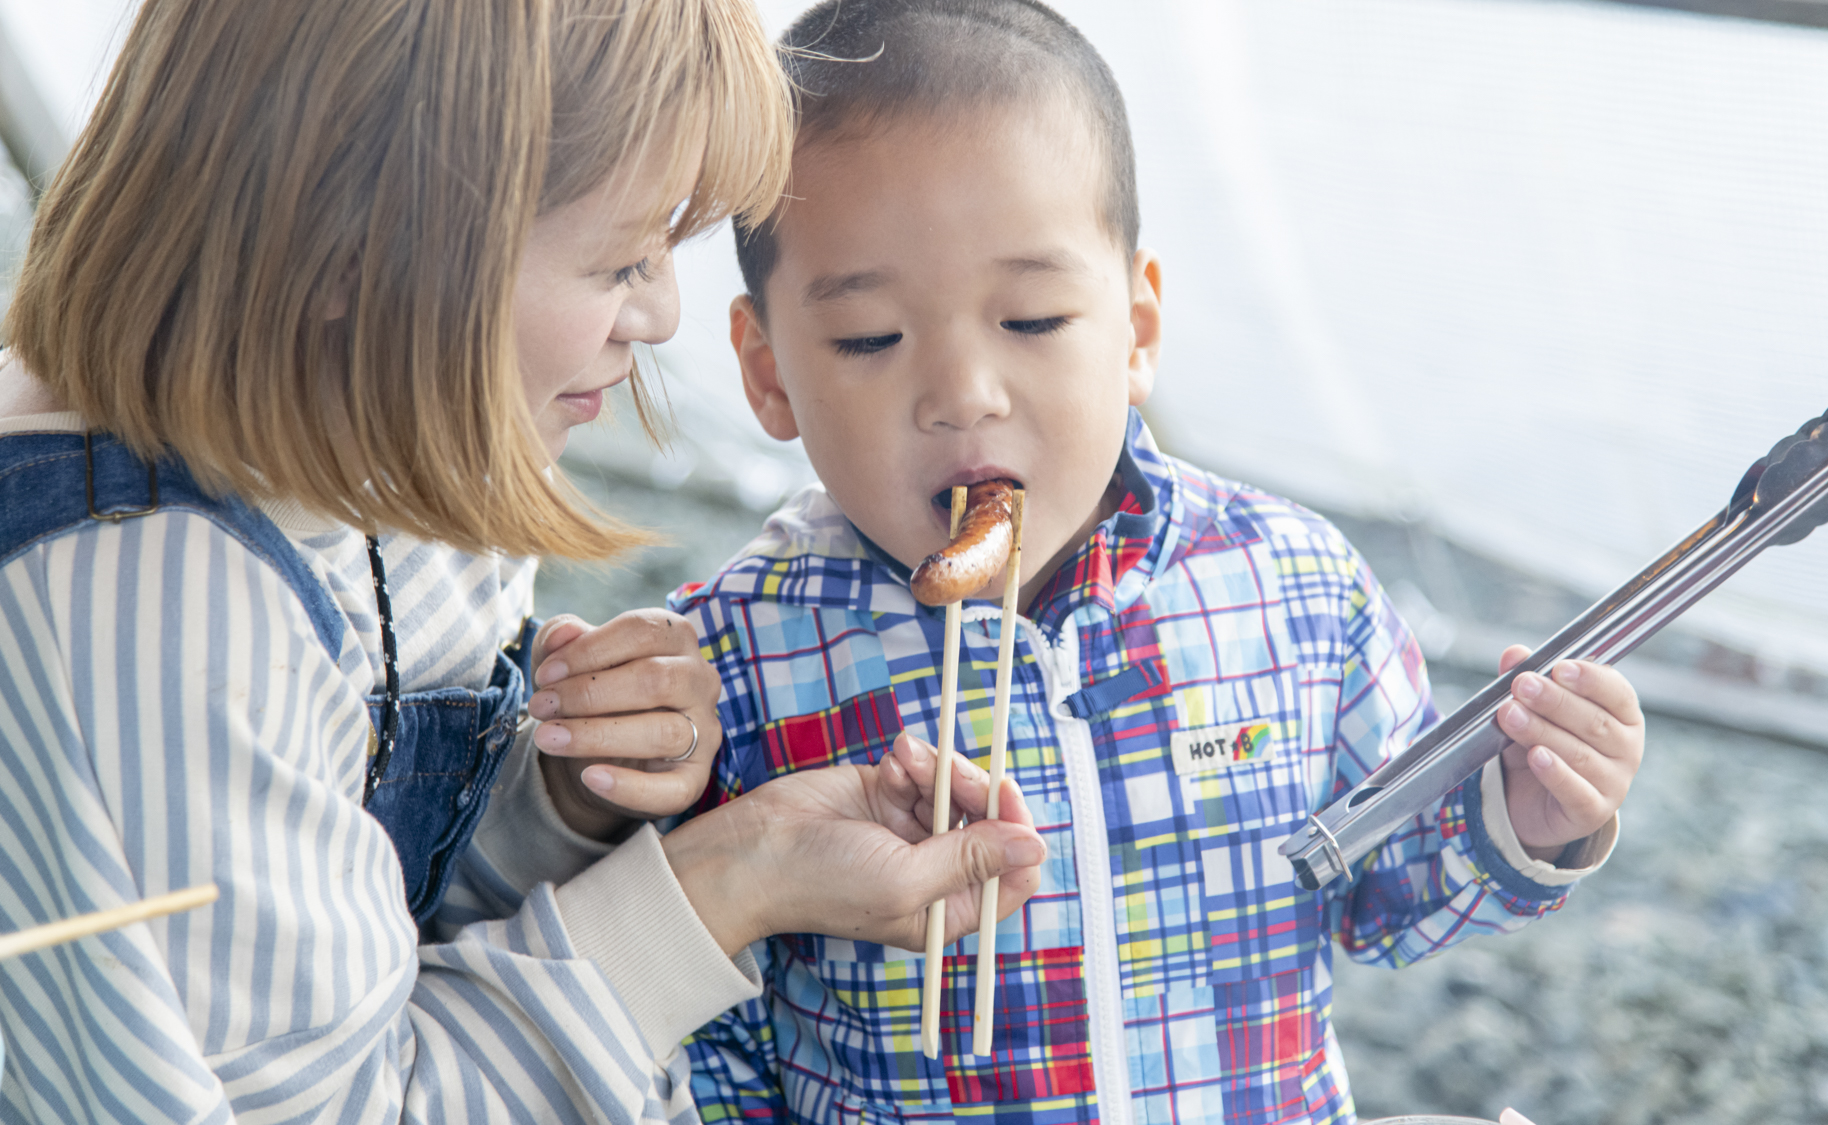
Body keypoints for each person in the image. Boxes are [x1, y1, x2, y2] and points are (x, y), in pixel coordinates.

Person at [0, 0, 1047, 1121]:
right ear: (364, 246)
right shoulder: (146, 609)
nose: (659, 314)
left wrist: (555, 797)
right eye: (622, 259)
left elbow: (371, 927)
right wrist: (725, 886)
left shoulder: (394, 448)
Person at [671, 2, 1648, 1123]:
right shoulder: (730, 655)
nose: (962, 396)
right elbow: (709, 1040)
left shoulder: (1293, 588)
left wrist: (1525, 814)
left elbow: (1388, 898)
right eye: (869, 339)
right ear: (768, 372)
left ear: (1134, 331)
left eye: (1031, 320)